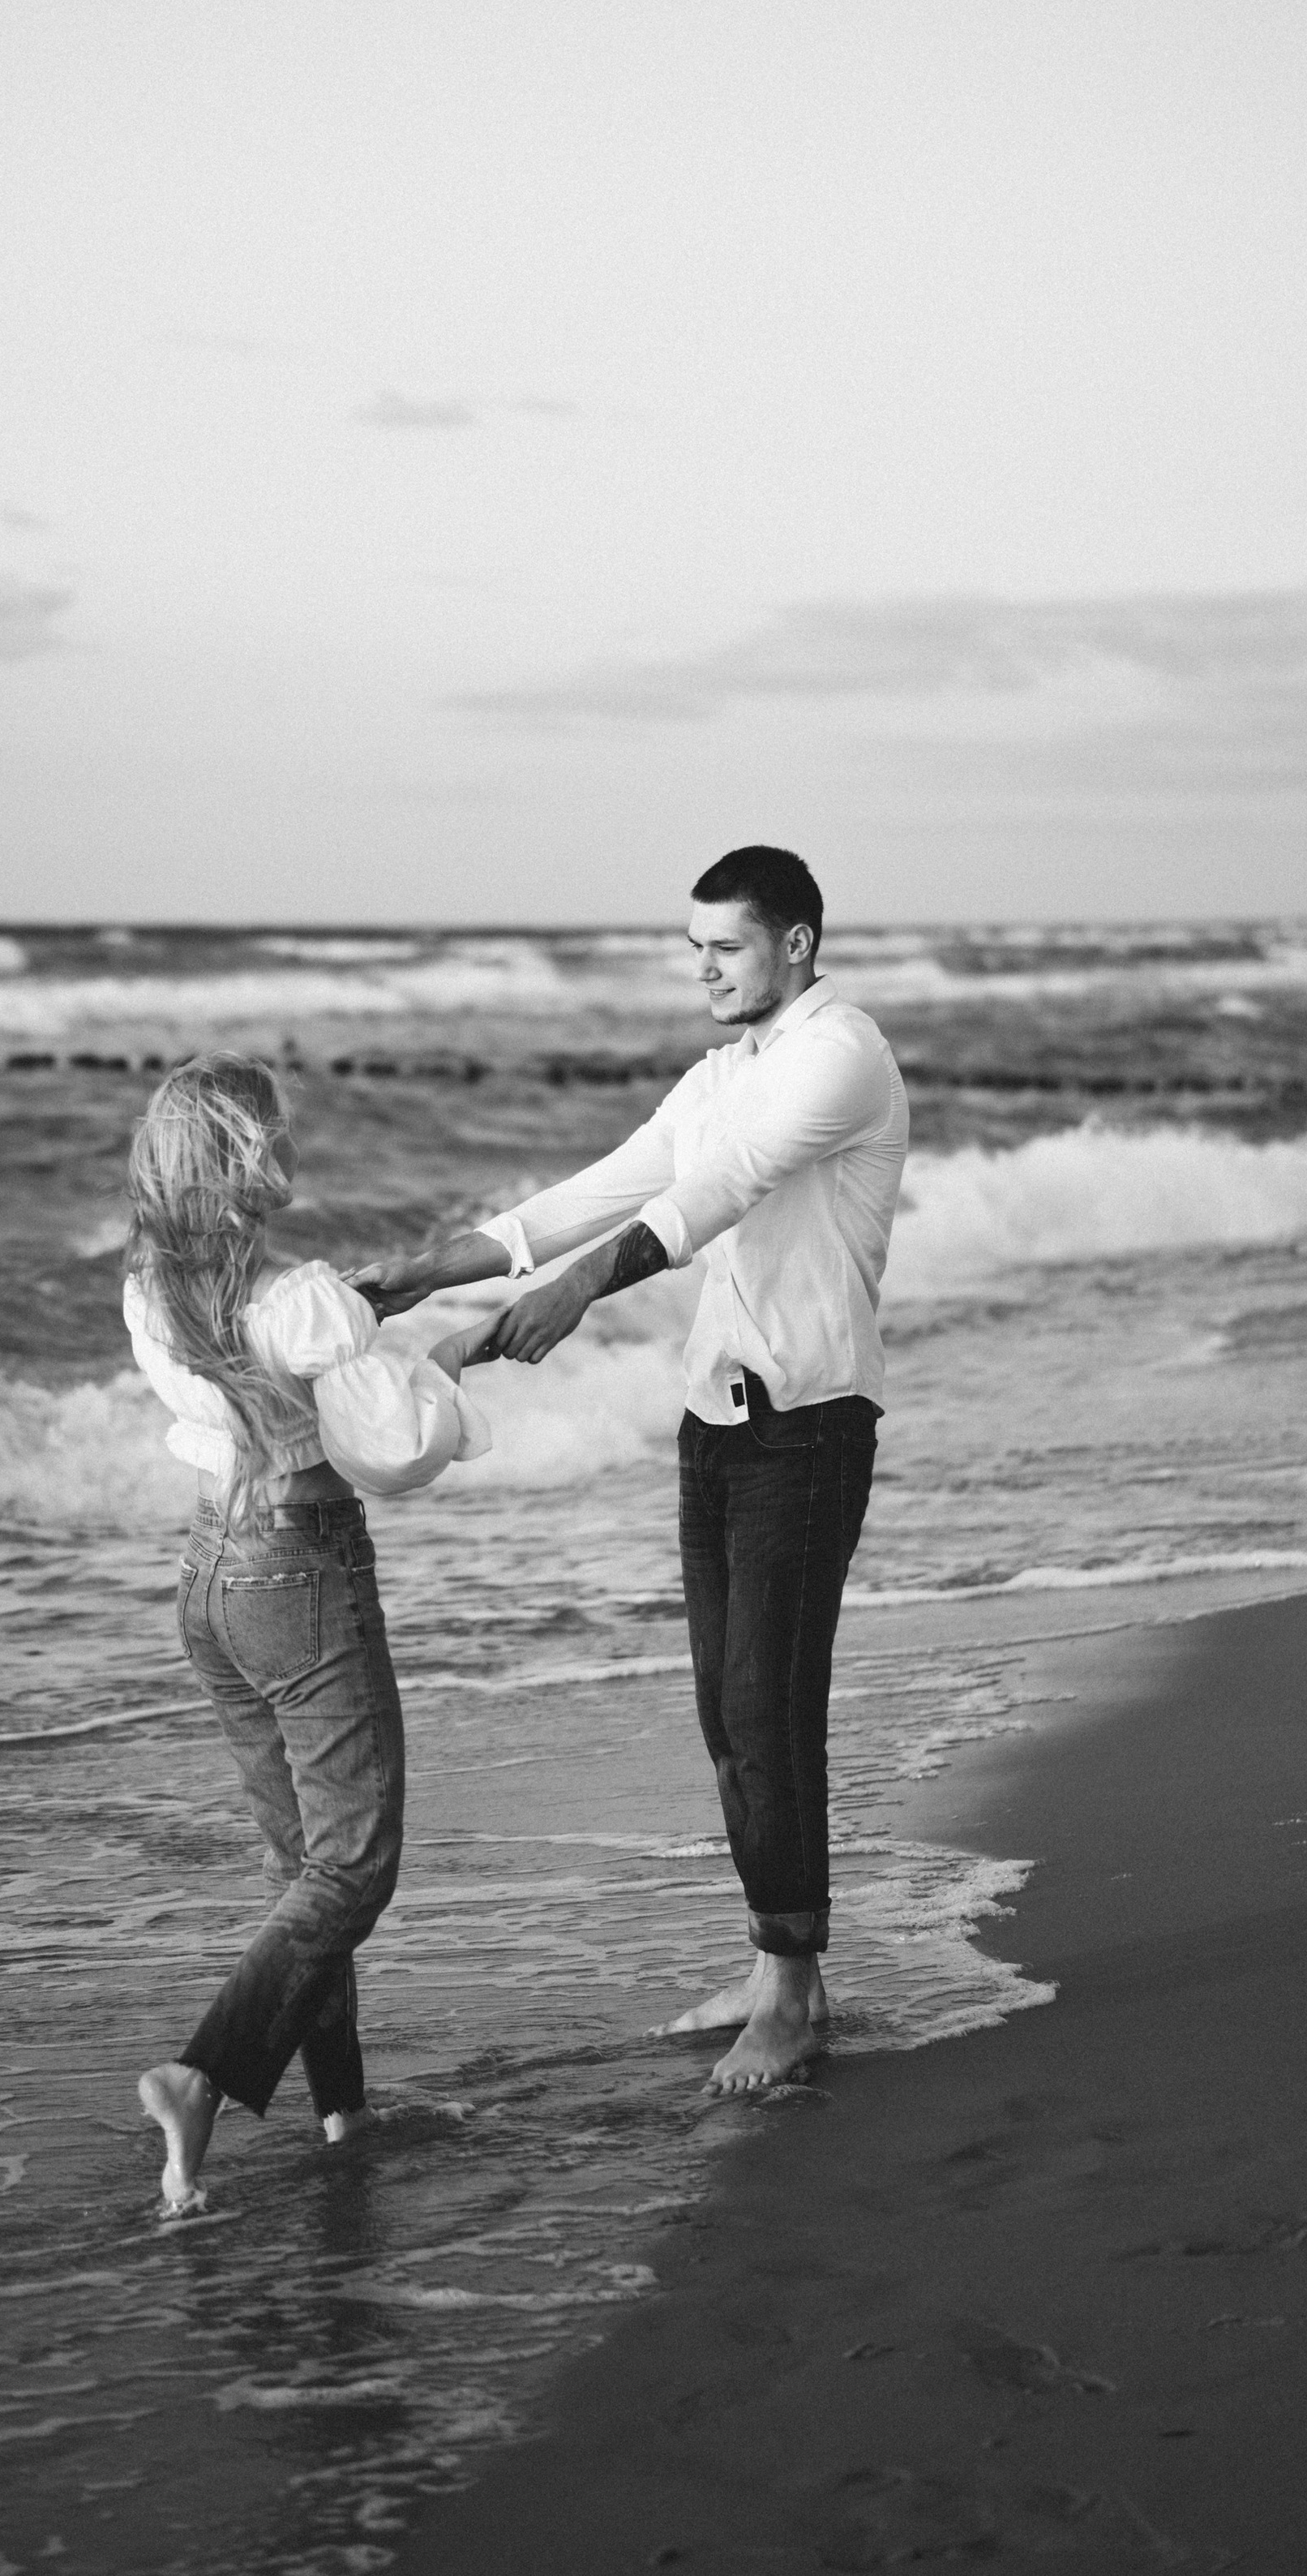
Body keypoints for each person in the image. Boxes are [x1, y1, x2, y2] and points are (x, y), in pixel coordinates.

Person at [357, 846, 908, 2094]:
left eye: (726, 945)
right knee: (726, 1708)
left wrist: (576, 1293)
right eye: (694, 946)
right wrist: (427, 1271)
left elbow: (719, 1192)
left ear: (799, 945)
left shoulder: (841, 1054)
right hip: (716, 1421)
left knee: (771, 1704)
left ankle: (797, 1989)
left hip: (810, 1425)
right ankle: (775, 1966)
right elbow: (597, 1189)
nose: (703, 967)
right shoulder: (722, 1074)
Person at [127, 1052, 494, 2212]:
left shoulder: (151, 1289)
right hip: (301, 1573)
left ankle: (345, 2114)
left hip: (210, 1580)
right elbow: (398, 1450)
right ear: (246, 1151)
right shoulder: (298, 1298)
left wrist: (365, 1315)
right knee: (353, 1867)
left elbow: (266, 1365)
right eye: (277, 1127)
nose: (294, 1140)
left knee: (303, 1872)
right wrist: (440, 1355)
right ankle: (203, 2073)